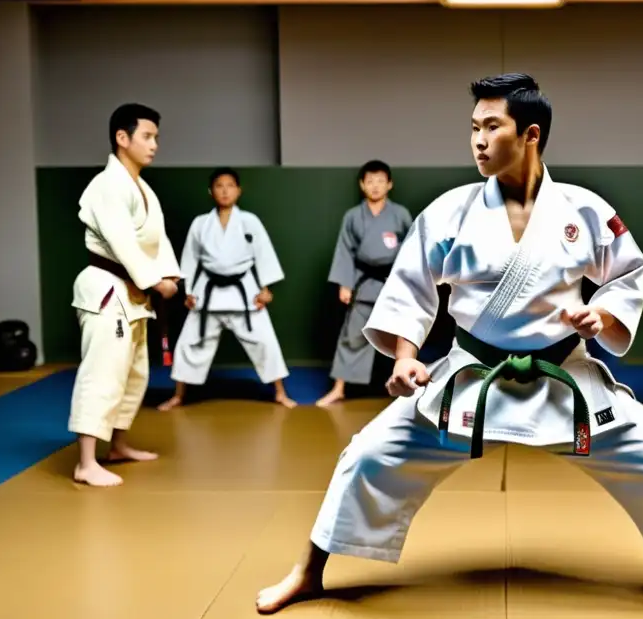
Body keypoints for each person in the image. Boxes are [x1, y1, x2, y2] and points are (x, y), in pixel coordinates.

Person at [257, 74, 643, 614]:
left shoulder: (583, 209)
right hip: (469, 379)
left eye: (492, 126)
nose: (478, 140)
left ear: (530, 135)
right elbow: (410, 289)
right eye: (473, 128)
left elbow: (629, 274)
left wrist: (599, 313)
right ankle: (309, 573)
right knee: (366, 455)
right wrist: (407, 358)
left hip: (565, 381)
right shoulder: (449, 212)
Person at [68, 103, 181, 487]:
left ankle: (117, 446)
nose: (154, 145)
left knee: (133, 374)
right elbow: (122, 244)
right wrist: (156, 282)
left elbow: (156, 240)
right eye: (147, 136)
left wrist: (168, 274)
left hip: (132, 293)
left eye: (156, 138)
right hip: (107, 289)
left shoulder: (142, 187)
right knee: (102, 372)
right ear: (122, 137)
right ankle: (85, 462)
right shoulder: (107, 186)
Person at [157, 167, 296, 411]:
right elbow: (190, 259)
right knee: (189, 343)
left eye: (230, 185)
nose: (225, 191)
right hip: (208, 292)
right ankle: (178, 395)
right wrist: (188, 291)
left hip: (244, 292)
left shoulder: (250, 221)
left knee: (265, 342)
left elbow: (263, 254)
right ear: (211, 192)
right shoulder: (201, 223)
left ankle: (280, 392)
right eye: (219, 186)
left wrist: (266, 288)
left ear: (238, 190)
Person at [316, 160, 413, 406]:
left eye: (381, 180)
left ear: (389, 184)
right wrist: (344, 284)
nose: (375, 186)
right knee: (352, 336)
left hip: (394, 283)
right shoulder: (353, 217)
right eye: (370, 181)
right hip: (364, 283)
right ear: (362, 185)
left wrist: (413, 283)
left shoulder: (400, 214)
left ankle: (405, 387)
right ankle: (339, 388)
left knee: (402, 337)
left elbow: (413, 248)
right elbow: (344, 251)